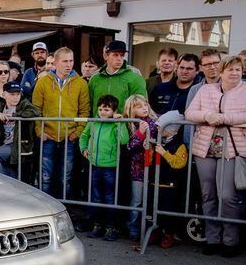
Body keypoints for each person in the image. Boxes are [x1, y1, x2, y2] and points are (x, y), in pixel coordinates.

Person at [185, 55, 246, 257]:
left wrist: (224, 118)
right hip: (206, 146)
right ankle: (212, 239)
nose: (235, 73)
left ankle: (231, 240)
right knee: (208, 194)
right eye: (230, 69)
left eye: (238, 69)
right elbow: (190, 113)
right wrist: (208, 116)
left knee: (228, 195)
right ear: (221, 72)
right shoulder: (205, 89)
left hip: (234, 148)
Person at [31, 47, 89, 200]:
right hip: (48, 136)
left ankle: (65, 211)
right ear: (55, 63)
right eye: (65, 61)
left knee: (66, 178)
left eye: (71, 61)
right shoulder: (43, 82)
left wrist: (77, 133)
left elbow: (84, 112)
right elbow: (36, 109)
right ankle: (44, 208)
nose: (68, 64)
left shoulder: (81, 84)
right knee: (46, 177)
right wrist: (39, 131)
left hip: (69, 137)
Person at [79, 94, 129, 241]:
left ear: (114, 111)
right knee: (95, 197)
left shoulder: (115, 124)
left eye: (106, 110)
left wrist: (120, 123)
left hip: (110, 167)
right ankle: (97, 225)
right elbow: (84, 136)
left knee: (109, 198)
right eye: (100, 109)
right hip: (94, 165)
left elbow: (124, 140)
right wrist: (84, 149)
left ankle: (111, 227)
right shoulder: (94, 122)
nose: (102, 112)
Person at [145, 110, 189, 248]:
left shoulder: (179, 145)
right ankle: (155, 231)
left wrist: (165, 154)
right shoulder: (156, 141)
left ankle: (168, 234)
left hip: (170, 186)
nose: (157, 129)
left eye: (161, 127)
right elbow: (148, 161)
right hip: (155, 182)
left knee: (169, 212)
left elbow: (179, 163)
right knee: (152, 209)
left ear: (172, 130)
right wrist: (148, 150)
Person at [0, 81, 39, 179]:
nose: (16, 97)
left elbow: (35, 111)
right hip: (5, 144)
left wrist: (14, 116)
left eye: (18, 94)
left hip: (19, 145)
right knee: (8, 173)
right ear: (4, 94)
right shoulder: (0, 106)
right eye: (12, 94)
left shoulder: (24, 103)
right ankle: (8, 182)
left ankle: (3, 183)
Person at [123, 95, 158, 239]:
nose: (144, 108)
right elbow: (129, 147)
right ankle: (133, 227)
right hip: (137, 169)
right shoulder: (130, 124)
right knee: (137, 200)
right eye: (139, 106)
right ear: (131, 109)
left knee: (151, 199)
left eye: (145, 105)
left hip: (154, 167)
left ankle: (151, 229)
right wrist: (140, 133)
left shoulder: (155, 122)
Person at [88, 41, 147, 115]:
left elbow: (141, 106)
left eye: (122, 55)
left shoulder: (135, 77)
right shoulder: (95, 78)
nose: (119, 59)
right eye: (115, 55)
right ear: (106, 56)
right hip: (98, 124)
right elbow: (89, 105)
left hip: (123, 124)